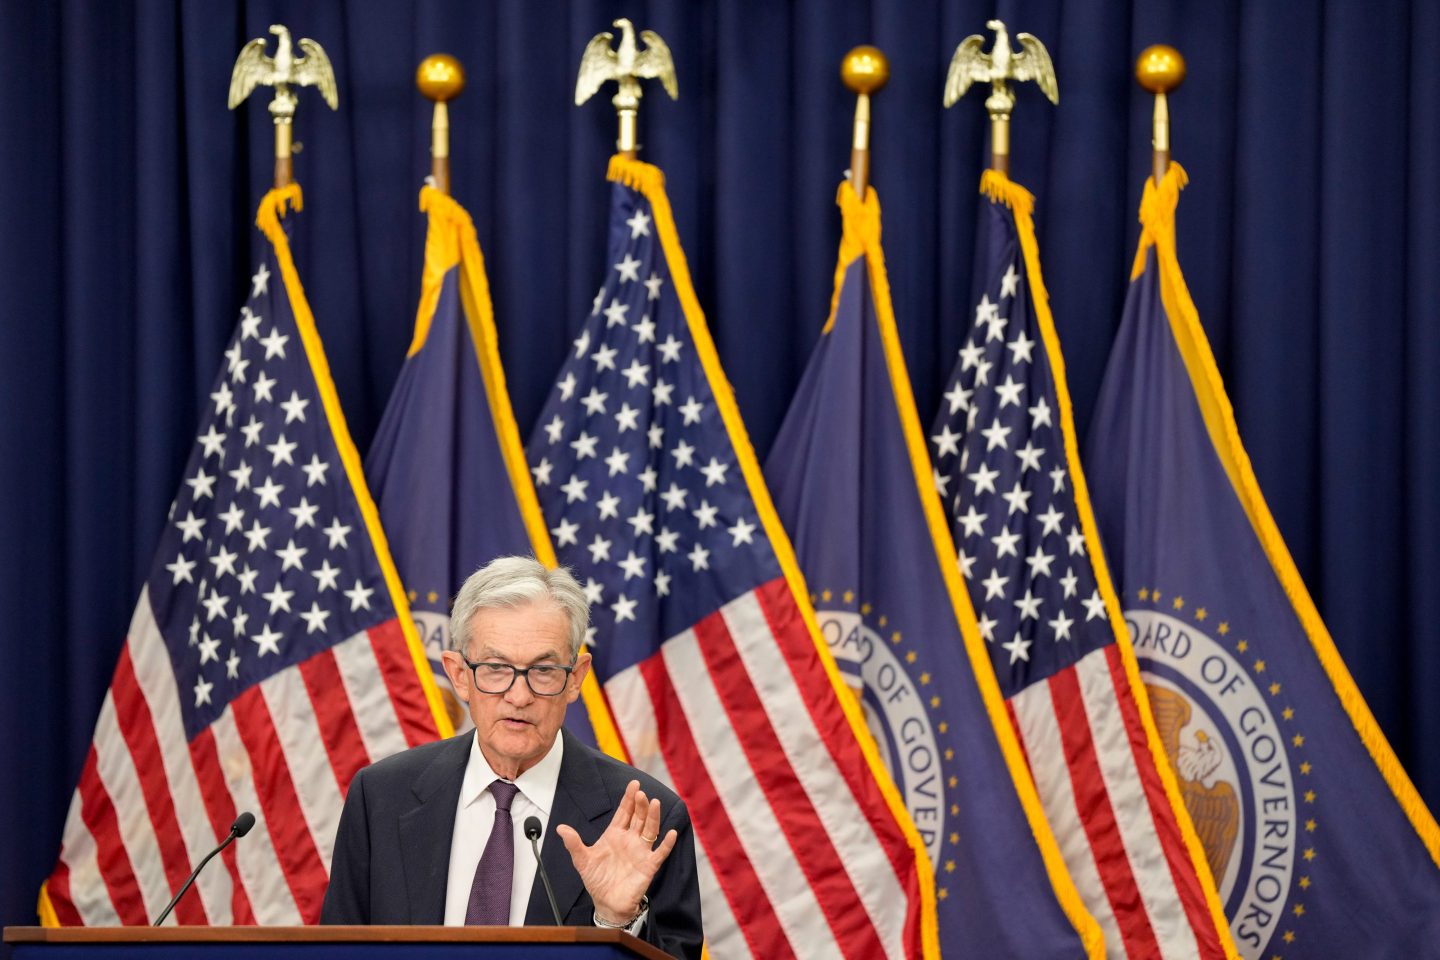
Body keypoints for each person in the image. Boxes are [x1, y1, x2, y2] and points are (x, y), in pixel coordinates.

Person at [321, 556, 703, 959]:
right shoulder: (380, 797)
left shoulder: (643, 819)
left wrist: (614, 922)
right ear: (459, 675)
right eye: (496, 668)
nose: (519, 696)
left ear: (575, 678)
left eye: (543, 670)